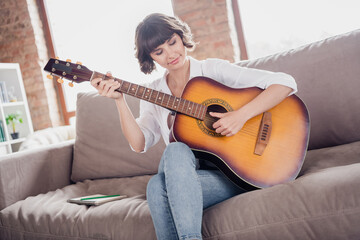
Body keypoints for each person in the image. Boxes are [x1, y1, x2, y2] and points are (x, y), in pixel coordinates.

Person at [91, 13, 297, 240]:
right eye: (159, 52)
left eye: (172, 43)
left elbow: (285, 83)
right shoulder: (154, 93)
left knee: (162, 176)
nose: (170, 54)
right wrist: (120, 101)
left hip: (246, 170)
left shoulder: (212, 71)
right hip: (201, 179)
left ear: (181, 37)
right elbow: (139, 144)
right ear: (150, 58)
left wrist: (240, 116)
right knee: (160, 181)